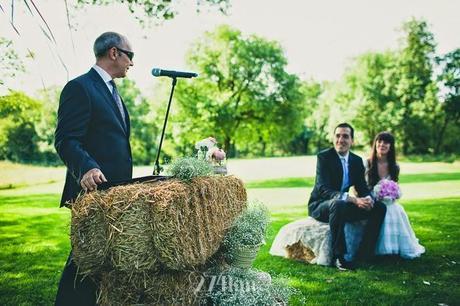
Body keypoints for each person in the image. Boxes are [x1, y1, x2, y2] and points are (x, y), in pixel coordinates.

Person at [54, 31, 134, 305]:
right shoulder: (80, 87)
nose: (131, 63)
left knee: (100, 262)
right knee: (83, 261)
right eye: (129, 56)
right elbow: (66, 139)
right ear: (114, 53)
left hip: (116, 194)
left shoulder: (112, 92)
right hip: (92, 192)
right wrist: (86, 167)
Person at [308, 123, 387, 270]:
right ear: (333, 138)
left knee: (379, 207)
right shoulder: (324, 157)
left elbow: (361, 187)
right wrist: (352, 199)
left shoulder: (356, 161)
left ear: (352, 140)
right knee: (338, 203)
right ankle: (339, 257)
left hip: (341, 207)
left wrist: (369, 198)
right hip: (321, 205)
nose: (341, 140)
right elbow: (323, 189)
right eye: (337, 136)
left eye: (345, 136)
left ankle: (365, 253)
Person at [366, 132, 425, 259]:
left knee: (395, 209)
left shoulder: (394, 166)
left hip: (388, 201)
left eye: (386, 142)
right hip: (371, 200)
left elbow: (395, 185)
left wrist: (393, 194)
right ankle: (376, 249)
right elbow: (358, 187)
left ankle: (394, 248)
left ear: (391, 146)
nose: (382, 144)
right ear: (375, 143)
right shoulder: (367, 163)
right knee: (384, 210)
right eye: (379, 141)